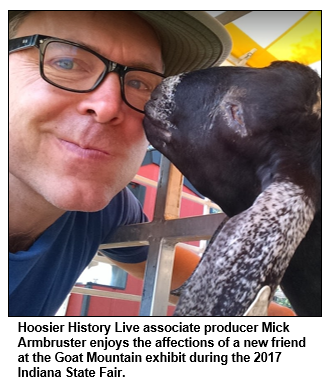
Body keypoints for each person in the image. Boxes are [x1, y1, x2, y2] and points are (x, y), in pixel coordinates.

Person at [9, 11, 293, 317]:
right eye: (66, 63)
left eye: (140, 83)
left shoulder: (105, 210)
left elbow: (180, 275)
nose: (107, 106)